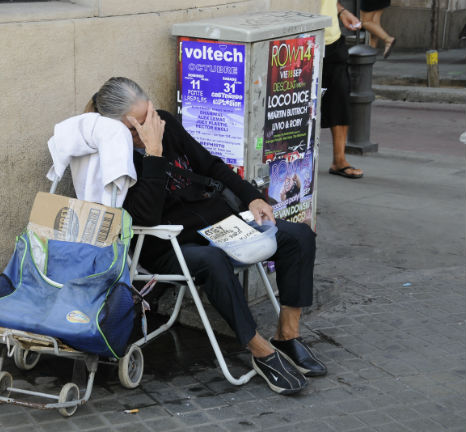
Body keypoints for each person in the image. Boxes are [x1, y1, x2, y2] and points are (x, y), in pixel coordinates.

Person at [87, 77, 327, 395]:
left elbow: (210, 165)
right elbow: (144, 217)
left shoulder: (165, 124)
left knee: (298, 236)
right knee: (212, 261)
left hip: (218, 224)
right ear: (112, 127)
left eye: (149, 121)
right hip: (167, 243)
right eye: (135, 129)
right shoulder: (111, 155)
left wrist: (251, 196)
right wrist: (154, 155)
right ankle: (260, 351)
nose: (147, 132)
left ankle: (287, 336)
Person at [321, 0, 364, 179]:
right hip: (303, 41)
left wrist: (341, 11)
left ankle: (339, 160)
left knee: (340, 97)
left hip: (333, 40)